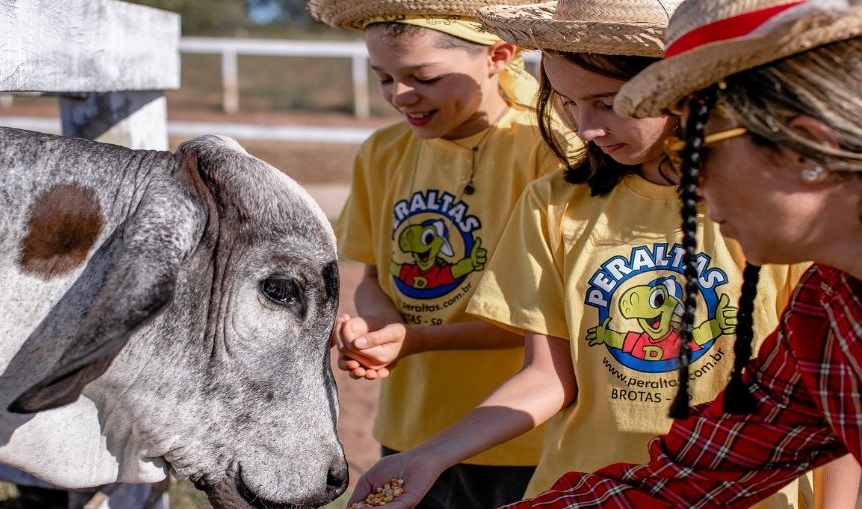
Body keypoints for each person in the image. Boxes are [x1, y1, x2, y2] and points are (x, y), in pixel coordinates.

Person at [343, 1, 856, 507]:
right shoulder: (557, 200)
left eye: (608, 103)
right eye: (567, 103)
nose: (585, 128)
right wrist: (433, 454)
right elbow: (680, 468)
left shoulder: (797, 257)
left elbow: (795, 424)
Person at [505, 0, 862, 507]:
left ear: (804, 148)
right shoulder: (825, 308)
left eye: (698, 151)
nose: (689, 183)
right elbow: (693, 476)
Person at [306, 0, 575, 506]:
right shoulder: (382, 152)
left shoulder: (550, 150)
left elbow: (551, 321)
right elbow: (374, 277)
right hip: (412, 430)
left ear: (498, 55)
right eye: (384, 77)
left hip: (524, 438)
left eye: (424, 76)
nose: (401, 95)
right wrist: (379, 329)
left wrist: (417, 339)